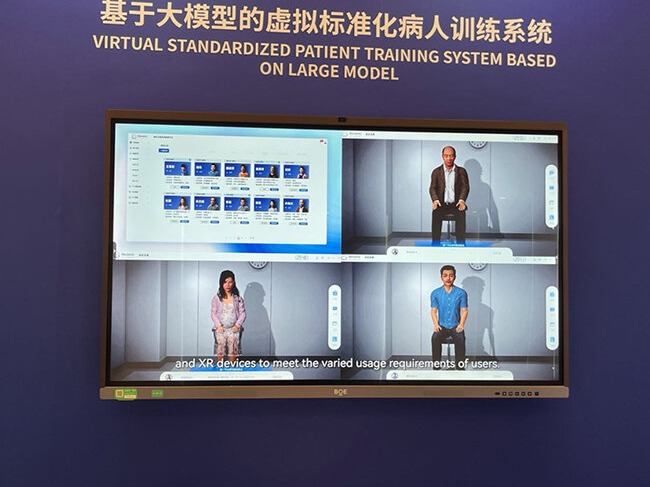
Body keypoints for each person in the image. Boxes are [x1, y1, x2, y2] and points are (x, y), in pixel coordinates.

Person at [429, 146, 470, 244]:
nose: (449, 158)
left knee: (461, 213)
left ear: (455, 156)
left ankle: (461, 244)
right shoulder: (436, 172)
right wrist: (435, 200)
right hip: (441, 204)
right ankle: (435, 244)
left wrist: (462, 200)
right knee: (435, 213)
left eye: (451, 156)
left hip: (456, 203)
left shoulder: (461, 171)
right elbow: (432, 188)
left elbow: (465, 187)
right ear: (442, 156)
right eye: (446, 156)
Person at [430, 265, 468, 369]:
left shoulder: (461, 293)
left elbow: (464, 310)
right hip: (442, 326)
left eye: (451, 275)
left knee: (460, 338)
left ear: (454, 277)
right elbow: (433, 311)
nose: (448, 278)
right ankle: (436, 366)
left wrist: (461, 325)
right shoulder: (435, 293)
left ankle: (460, 367)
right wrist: (436, 325)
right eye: (445, 275)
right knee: (435, 337)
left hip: (456, 325)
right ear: (441, 277)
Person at [211, 270, 246, 362]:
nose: (228, 285)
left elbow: (243, 313)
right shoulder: (216, 298)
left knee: (233, 350)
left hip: (233, 329)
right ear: (221, 283)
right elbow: (213, 313)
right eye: (225, 282)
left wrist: (237, 325)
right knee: (220, 350)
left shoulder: (238, 299)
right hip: (220, 329)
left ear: (233, 283)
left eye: (230, 282)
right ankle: (220, 368)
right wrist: (218, 326)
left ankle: (232, 368)